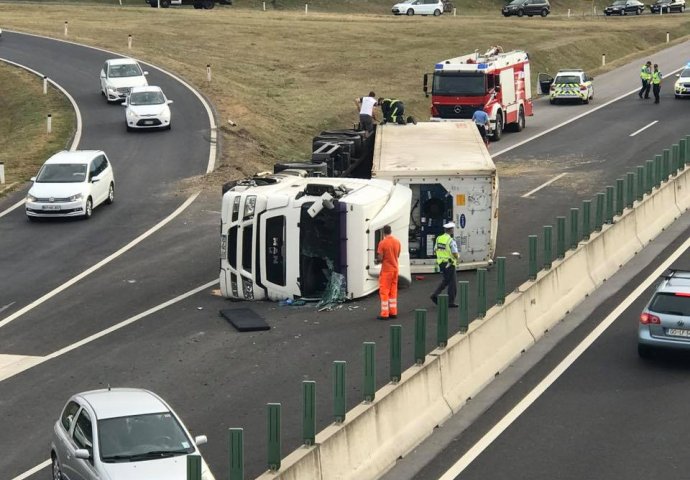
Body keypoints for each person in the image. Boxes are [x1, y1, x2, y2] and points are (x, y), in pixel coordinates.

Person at [430, 222, 460, 308]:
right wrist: (457, 256)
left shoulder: (439, 238)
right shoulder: (450, 240)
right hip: (449, 263)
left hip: (441, 263)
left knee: (446, 280)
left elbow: (435, 250)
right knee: (452, 283)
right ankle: (450, 301)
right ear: (451, 230)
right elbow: (454, 253)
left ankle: (435, 295)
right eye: (452, 229)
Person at [375, 225, 401, 320]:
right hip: (395, 269)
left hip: (387, 270)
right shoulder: (397, 242)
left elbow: (380, 258)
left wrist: (377, 260)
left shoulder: (382, 243)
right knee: (393, 291)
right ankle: (393, 312)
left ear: (383, 232)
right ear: (391, 231)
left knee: (384, 291)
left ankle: (384, 313)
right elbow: (397, 255)